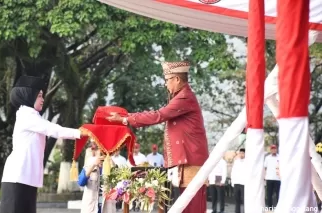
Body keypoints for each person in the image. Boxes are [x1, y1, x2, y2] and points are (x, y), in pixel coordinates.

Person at [107, 61, 209, 213]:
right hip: (185, 162)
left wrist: (125, 118)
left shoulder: (185, 97)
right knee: (184, 207)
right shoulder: (179, 97)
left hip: (191, 161)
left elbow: (158, 116)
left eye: (167, 80)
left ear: (177, 79)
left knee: (192, 208)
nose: (165, 84)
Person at [0, 76, 88, 213]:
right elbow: (54, 130)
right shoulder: (26, 116)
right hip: (17, 178)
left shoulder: (32, 116)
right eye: (39, 95)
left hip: (26, 178)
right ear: (29, 96)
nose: (42, 99)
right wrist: (80, 133)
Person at [78, 143, 104, 213]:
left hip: (104, 205)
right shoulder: (88, 165)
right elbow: (81, 182)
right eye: (94, 150)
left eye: (97, 150)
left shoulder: (108, 164)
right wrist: (93, 166)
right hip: (91, 204)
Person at [231, 148, 246, 213]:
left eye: (242, 153)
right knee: (237, 200)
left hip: (244, 183)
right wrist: (232, 182)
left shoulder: (248, 162)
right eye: (240, 153)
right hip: (236, 183)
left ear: (245, 154)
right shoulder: (236, 161)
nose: (241, 154)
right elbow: (233, 172)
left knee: (244, 200)